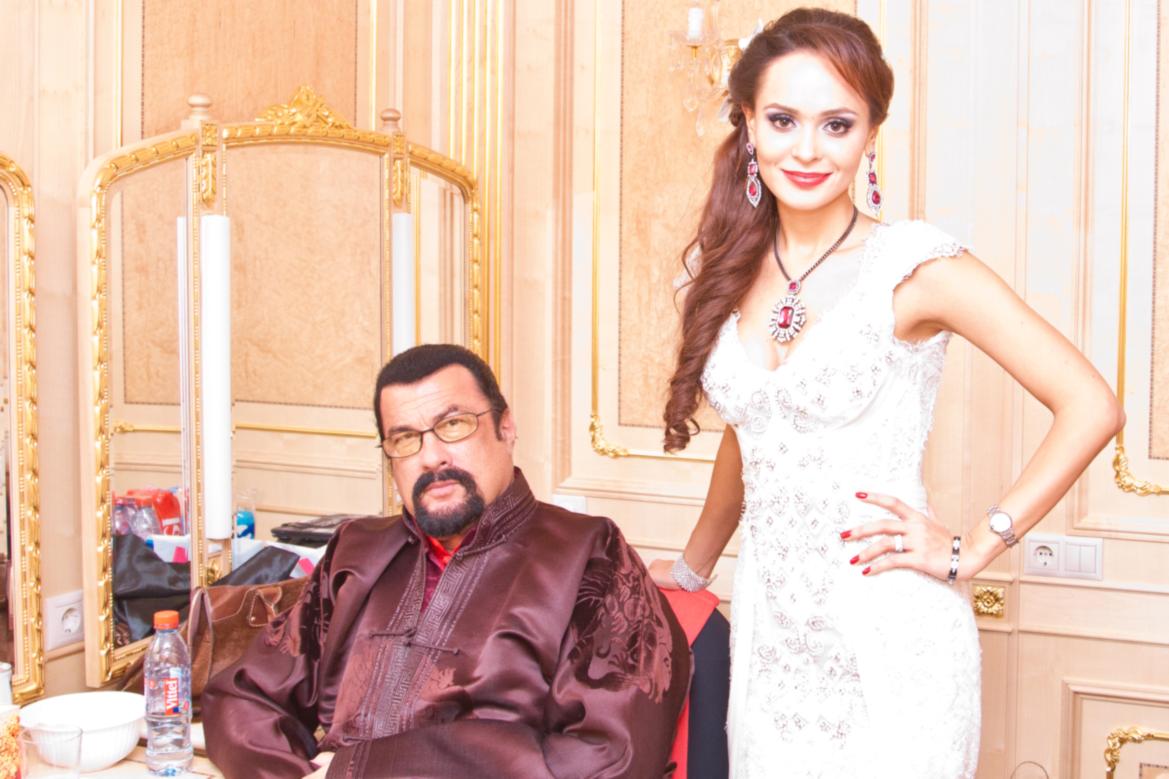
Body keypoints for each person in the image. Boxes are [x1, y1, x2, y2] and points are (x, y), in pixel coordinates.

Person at [649, 8, 1124, 778]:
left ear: (870, 134)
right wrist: (692, 568)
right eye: (782, 120)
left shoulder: (912, 267)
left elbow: (1091, 404)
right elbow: (754, 430)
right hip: (770, 642)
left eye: (836, 124)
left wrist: (974, 547)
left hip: (892, 635)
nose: (807, 149)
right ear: (748, 124)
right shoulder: (725, 268)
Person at [203, 344, 691, 779]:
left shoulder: (590, 555)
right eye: (404, 438)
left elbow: (609, 756)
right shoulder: (356, 553)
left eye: (453, 425)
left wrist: (363, 770)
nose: (431, 457)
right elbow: (243, 698)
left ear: (505, 427)